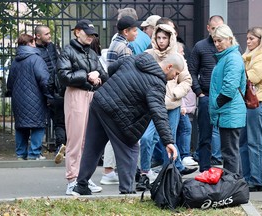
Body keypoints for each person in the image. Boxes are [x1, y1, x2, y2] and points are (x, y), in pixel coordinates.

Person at [71, 52, 182, 195]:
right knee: (130, 149)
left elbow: (111, 69)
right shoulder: (156, 83)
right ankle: (127, 192)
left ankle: (80, 186)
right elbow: (159, 113)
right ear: (169, 67)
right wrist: (168, 141)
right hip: (118, 113)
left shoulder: (136, 58)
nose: (175, 77)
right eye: (176, 73)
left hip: (100, 101)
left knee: (92, 147)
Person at [136, 24, 197, 191]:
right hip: (151, 107)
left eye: (165, 38)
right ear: (154, 38)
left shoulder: (178, 57)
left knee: (169, 142)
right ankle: (144, 174)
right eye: (159, 37)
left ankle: (168, 177)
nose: (161, 41)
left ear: (171, 39)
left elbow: (187, 80)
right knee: (147, 139)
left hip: (172, 106)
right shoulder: (147, 55)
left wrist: (175, 94)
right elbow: (139, 78)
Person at [57, 19, 108, 195]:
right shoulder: (68, 51)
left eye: (93, 35)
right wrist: (87, 76)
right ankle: (72, 180)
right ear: (77, 32)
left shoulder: (92, 53)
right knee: (76, 139)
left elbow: (103, 73)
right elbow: (63, 76)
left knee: (88, 140)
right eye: (88, 33)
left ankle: (83, 179)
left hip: (91, 95)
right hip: (76, 95)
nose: (91, 37)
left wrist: (98, 77)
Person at [101, 15, 139, 185]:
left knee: (113, 133)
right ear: (126, 31)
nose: (137, 33)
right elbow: (127, 73)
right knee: (119, 134)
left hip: (113, 92)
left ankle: (111, 171)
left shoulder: (114, 44)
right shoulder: (124, 48)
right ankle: (110, 171)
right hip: (122, 95)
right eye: (134, 30)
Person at [239, 27, 262, 192]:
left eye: (252, 38)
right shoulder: (249, 56)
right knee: (244, 142)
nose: (248, 41)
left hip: (257, 103)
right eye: (247, 38)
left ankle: (258, 179)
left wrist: (239, 66)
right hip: (248, 104)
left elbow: (250, 77)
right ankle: (248, 177)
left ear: (261, 40)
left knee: (256, 142)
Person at [7, 33, 52, 160]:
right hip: (36, 98)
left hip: (18, 99)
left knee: (21, 126)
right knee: (38, 125)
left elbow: (9, 83)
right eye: (33, 42)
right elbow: (44, 80)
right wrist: (49, 96)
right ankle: (34, 153)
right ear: (30, 43)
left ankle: (20, 154)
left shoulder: (15, 61)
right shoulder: (36, 59)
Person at [209, 24, 246, 175]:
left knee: (229, 153)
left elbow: (229, 88)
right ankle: (237, 186)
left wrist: (216, 104)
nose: (217, 44)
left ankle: (232, 188)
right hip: (228, 111)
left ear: (230, 39)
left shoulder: (232, 58)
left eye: (220, 40)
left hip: (229, 111)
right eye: (215, 41)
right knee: (231, 152)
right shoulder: (227, 57)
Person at [189, 15, 224, 172]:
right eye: (214, 27)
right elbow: (192, 71)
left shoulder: (229, 48)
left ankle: (229, 174)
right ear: (208, 28)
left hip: (226, 98)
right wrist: (199, 93)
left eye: (220, 27)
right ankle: (204, 170)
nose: (217, 31)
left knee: (228, 136)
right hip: (206, 96)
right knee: (205, 136)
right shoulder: (200, 46)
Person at [35, 25, 67, 164]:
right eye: (46, 34)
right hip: (45, 90)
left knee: (60, 120)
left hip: (57, 88)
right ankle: (55, 147)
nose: (49, 36)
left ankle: (61, 146)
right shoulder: (35, 51)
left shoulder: (52, 47)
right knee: (45, 122)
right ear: (38, 36)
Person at [176, 42, 198, 166]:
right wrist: (183, 104)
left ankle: (182, 155)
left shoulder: (181, 64)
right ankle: (184, 155)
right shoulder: (177, 64)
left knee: (182, 129)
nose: (183, 53)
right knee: (185, 128)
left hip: (181, 103)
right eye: (181, 51)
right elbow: (178, 86)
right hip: (179, 103)